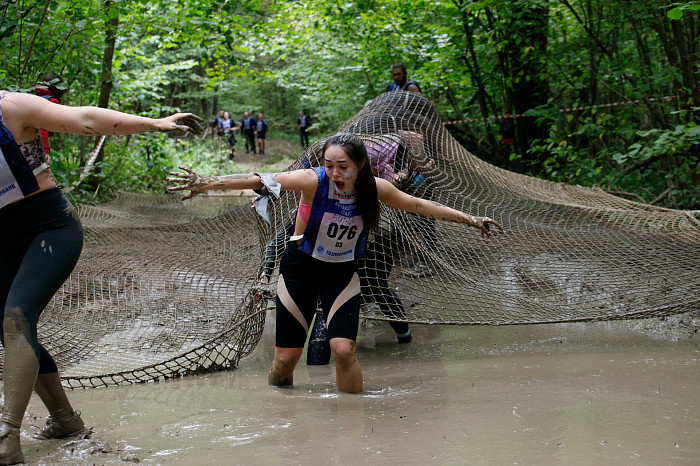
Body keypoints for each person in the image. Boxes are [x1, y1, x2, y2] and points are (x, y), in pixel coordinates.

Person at [167, 132, 501, 394]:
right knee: (285, 362)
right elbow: (260, 179)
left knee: (343, 350)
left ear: (360, 166)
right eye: (329, 165)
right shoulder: (313, 181)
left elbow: (417, 204)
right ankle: (279, 408)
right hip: (300, 270)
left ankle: (352, 428)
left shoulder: (375, 188)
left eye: (343, 167)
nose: (335, 173)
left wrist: (471, 219)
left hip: (341, 273)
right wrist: (207, 183)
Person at [0, 90, 203, 465]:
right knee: (15, 329)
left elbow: (86, 121)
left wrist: (155, 124)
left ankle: (6, 436)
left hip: (49, 227)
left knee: (15, 320)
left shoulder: (10, 107)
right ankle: (65, 420)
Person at [34, 73, 67, 157]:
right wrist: (45, 151)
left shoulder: (33, 96)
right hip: (37, 146)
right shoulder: (52, 102)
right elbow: (42, 129)